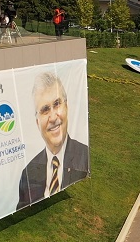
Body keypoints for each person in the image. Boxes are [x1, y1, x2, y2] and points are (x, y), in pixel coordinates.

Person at [16, 72, 91, 209]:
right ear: (37, 122)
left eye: (57, 104)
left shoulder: (86, 157)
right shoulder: (28, 173)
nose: (53, 117)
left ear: (66, 107)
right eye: (45, 110)